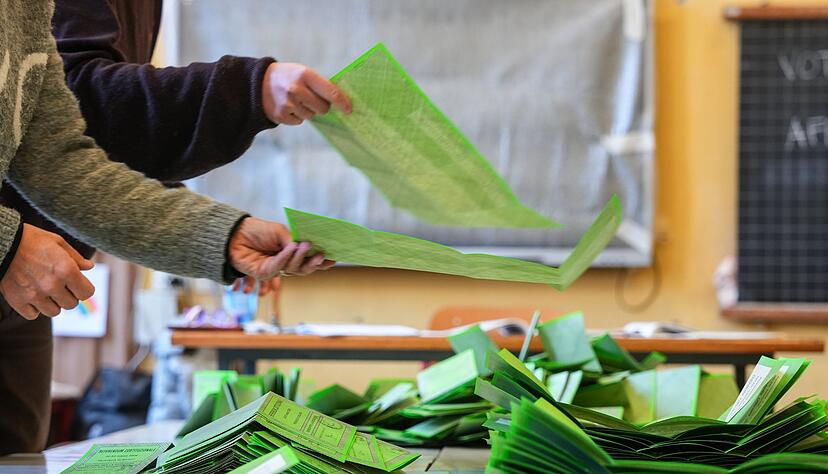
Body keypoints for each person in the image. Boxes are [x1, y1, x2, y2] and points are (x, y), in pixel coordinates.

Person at [0, 0, 347, 454]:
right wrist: (8, 243)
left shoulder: (29, 10)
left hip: (16, 304)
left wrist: (220, 238)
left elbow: (60, 162)